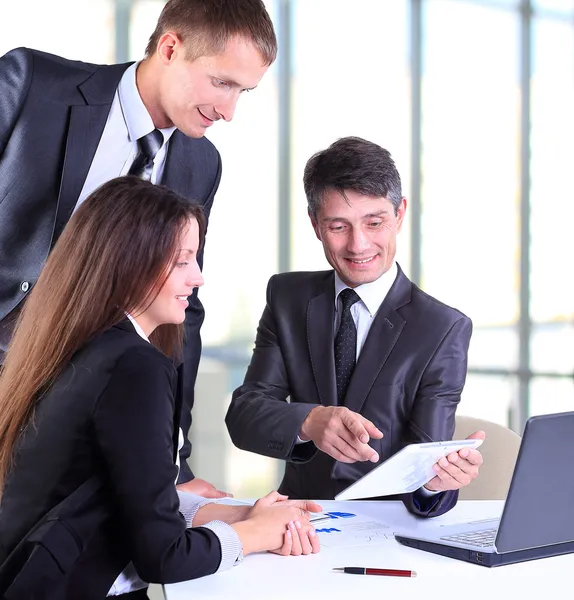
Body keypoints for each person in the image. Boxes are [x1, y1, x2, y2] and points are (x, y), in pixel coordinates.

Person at [0, 0, 276, 498]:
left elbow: (181, 311)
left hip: (77, 410)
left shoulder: (200, 164)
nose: (230, 112)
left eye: (244, 92)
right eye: (222, 83)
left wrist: (177, 461)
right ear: (170, 47)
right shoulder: (32, 85)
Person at [0, 177, 320, 600]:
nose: (199, 278)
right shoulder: (134, 366)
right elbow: (164, 556)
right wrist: (254, 535)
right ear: (129, 261)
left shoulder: (79, 344)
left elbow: (120, 498)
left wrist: (243, 514)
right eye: (182, 261)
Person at [226, 137, 485, 517]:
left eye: (374, 222)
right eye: (338, 226)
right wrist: (310, 421)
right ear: (315, 225)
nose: (358, 244)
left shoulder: (442, 328)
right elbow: (245, 416)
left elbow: (427, 460)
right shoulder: (288, 297)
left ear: (400, 214)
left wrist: (435, 483)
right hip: (298, 520)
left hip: (388, 530)